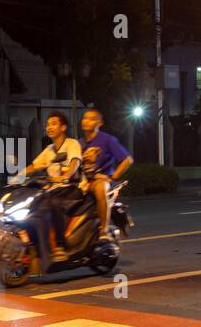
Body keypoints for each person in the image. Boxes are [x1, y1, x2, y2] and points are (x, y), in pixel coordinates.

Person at [19, 112, 83, 267]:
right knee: (31, 204)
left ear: (63, 127)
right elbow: (35, 165)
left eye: (54, 123)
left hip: (72, 187)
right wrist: (19, 175)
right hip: (54, 189)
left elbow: (75, 161)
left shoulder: (71, 144)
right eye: (47, 124)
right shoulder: (48, 150)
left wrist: (66, 175)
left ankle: (60, 246)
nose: (49, 127)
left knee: (54, 202)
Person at [79, 109, 133, 239]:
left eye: (92, 119)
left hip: (102, 181)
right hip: (84, 181)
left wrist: (112, 177)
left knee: (99, 188)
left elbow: (127, 160)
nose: (87, 121)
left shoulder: (107, 140)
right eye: (85, 118)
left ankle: (104, 230)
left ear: (99, 123)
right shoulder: (78, 143)